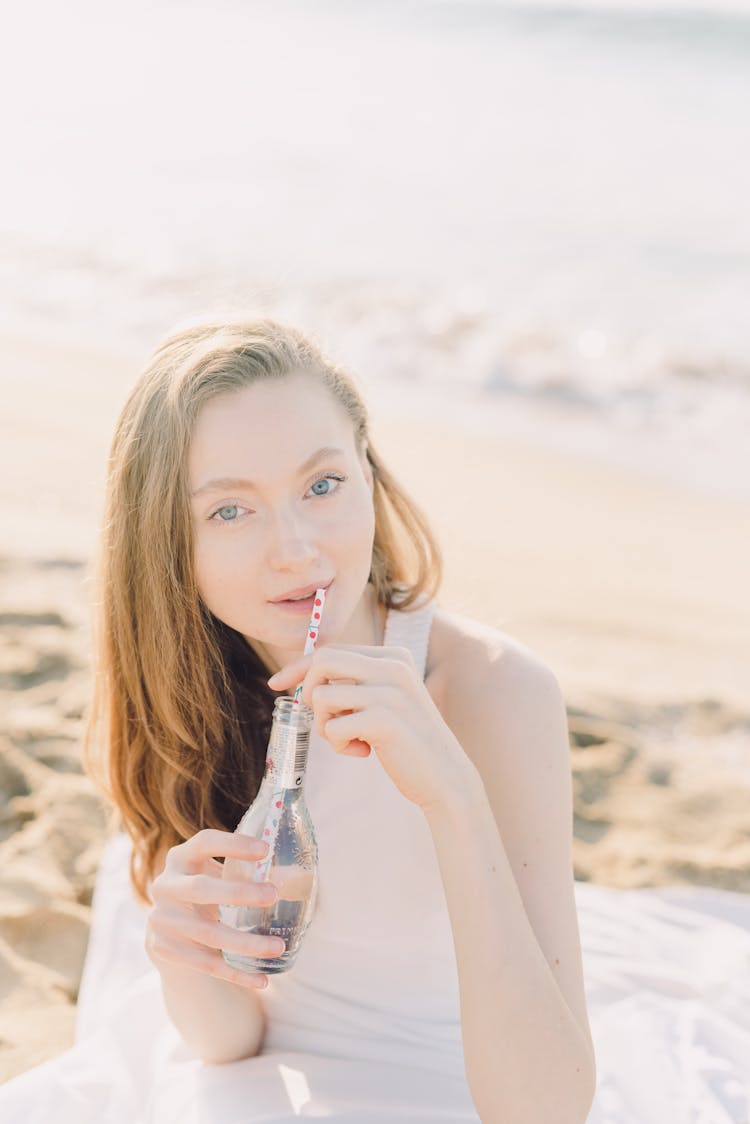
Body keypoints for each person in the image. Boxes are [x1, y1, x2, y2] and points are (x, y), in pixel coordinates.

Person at [3, 317, 597, 1123]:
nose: (296, 550)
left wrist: (453, 797)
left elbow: (546, 1108)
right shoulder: (185, 693)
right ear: (165, 544)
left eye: (323, 486)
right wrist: (183, 953)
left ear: (369, 474)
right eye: (229, 512)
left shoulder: (495, 691)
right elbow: (227, 1042)